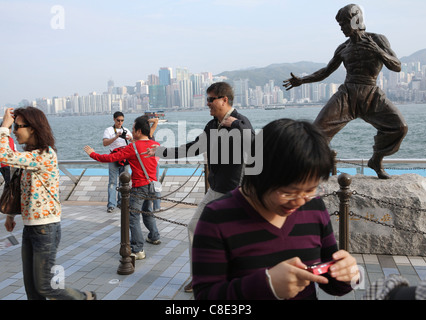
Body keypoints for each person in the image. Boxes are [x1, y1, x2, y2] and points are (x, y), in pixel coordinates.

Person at [192, 118, 359, 300]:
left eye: (310, 190)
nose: (300, 201)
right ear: (259, 175)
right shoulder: (216, 218)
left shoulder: (315, 207)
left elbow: (330, 280)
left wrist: (346, 275)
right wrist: (267, 286)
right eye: (288, 193)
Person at [143, 82, 255, 292]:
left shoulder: (241, 121)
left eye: (211, 99)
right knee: (196, 227)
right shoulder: (212, 125)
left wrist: (237, 126)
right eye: (207, 99)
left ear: (224, 100)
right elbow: (194, 147)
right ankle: (200, 278)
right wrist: (161, 152)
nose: (207, 104)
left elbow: (255, 147)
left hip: (237, 193)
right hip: (216, 190)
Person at [283, 4, 408, 179]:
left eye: (344, 23)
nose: (341, 28)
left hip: (371, 93)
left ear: (356, 20)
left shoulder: (378, 40)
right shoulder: (343, 48)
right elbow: (326, 71)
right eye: (340, 24)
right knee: (318, 130)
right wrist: (302, 80)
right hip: (347, 95)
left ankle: (376, 160)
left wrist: (378, 51)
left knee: (399, 127)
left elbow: (397, 66)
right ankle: (310, 170)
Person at [0, 107, 96, 300]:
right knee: (32, 290)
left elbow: (5, 156)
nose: (15, 130)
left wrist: (4, 127)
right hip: (30, 227)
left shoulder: (45, 155)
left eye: (18, 126)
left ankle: (84, 298)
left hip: (45, 229)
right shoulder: (31, 156)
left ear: (32, 128)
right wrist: (10, 216)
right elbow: (19, 188)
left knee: (44, 287)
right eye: (13, 127)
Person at [85, 115, 161, 260]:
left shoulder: (133, 147)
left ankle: (138, 249)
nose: (131, 132)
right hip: (152, 185)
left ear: (138, 131)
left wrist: (92, 154)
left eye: (133, 129)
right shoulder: (155, 144)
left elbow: (110, 158)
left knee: (132, 217)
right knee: (147, 211)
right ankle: (154, 236)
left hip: (139, 186)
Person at [102, 111, 133, 213]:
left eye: (122, 120)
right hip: (113, 157)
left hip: (124, 158)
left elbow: (134, 142)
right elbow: (105, 143)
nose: (120, 123)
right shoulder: (109, 130)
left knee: (124, 181)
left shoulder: (126, 130)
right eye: (118, 120)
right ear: (114, 119)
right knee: (112, 182)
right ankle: (111, 204)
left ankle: (121, 202)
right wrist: (116, 137)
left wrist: (131, 138)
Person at [0, 122, 17, 186]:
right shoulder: (9, 139)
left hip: (0, 165)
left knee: (7, 182)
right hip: (7, 165)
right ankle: (7, 195)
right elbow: (11, 152)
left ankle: (6, 194)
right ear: (10, 130)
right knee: (9, 184)